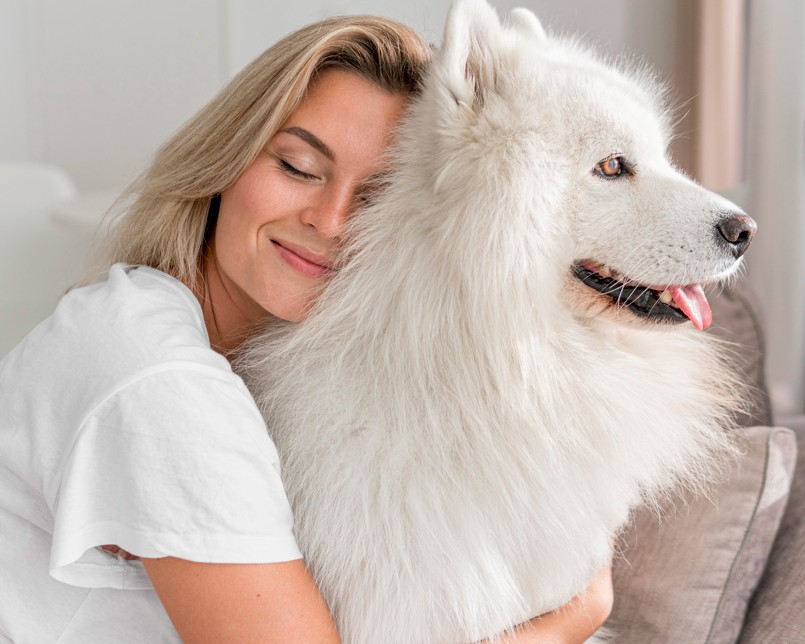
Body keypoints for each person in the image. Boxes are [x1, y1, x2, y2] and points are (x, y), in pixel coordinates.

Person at [0, 13, 611, 643]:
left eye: (377, 197)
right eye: (297, 167)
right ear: (227, 159)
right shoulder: (161, 382)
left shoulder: (180, 335)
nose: (331, 219)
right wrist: (577, 614)